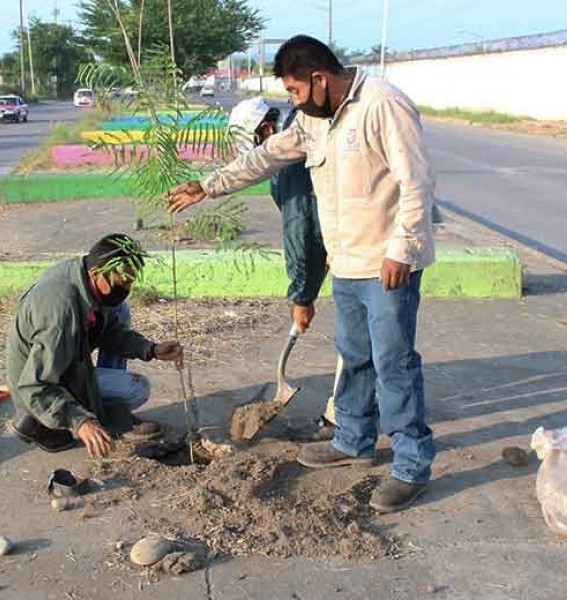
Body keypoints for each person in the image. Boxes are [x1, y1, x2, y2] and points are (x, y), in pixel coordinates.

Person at [168, 35, 437, 512]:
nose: (291, 102)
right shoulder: (312, 120)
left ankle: (410, 467)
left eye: (293, 91)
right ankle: (352, 440)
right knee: (354, 355)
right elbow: (266, 155)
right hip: (347, 264)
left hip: (386, 263)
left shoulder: (382, 105)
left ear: (319, 79)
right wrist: (207, 186)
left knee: (393, 364)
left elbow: (416, 182)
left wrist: (403, 248)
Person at [6, 233, 184, 459]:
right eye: (123, 282)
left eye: (130, 280)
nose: (128, 288)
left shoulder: (85, 277)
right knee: (136, 389)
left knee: (120, 309)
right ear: (96, 274)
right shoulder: (60, 309)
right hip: (35, 388)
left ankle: (99, 412)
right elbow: (34, 384)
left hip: (64, 362)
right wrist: (80, 421)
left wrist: (149, 349)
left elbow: (108, 331)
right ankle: (35, 420)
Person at [228, 96, 337, 439]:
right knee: (362, 341)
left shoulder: (289, 160)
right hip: (354, 240)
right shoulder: (300, 130)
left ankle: (344, 423)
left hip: (372, 248)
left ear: (266, 129)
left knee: (359, 341)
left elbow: (301, 229)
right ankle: (349, 417)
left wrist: (302, 298)